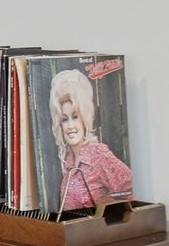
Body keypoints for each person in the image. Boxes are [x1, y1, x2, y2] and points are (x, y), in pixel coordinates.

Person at [49, 68, 133, 211]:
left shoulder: (98, 155)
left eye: (75, 117)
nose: (70, 126)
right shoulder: (68, 162)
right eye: (64, 119)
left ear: (84, 118)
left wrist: (110, 219)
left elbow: (129, 188)